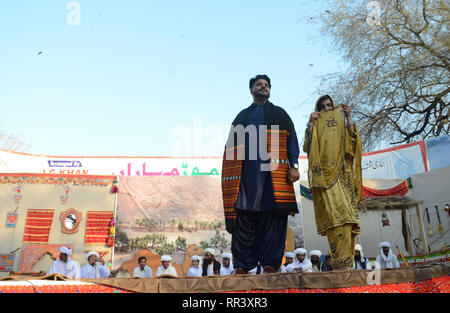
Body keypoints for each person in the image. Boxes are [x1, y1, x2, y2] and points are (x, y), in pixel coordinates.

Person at [221, 74, 300, 275]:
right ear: (251, 90)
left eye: (266, 85)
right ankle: (242, 265)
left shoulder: (280, 114)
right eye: (259, 84)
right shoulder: (241, 116)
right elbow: (230, 148)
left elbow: (292, 141)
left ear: (270, 90)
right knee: (244, 221)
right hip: (247, 179)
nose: (263, 87)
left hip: (273, 178)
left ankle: (271, 265)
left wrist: (294, 165)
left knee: (273, 221)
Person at [303, 95, 363, 271]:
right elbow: (307, 147)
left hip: (342, 175)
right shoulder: (315, 127)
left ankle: (347, 264)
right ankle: (339, 263)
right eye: (322, 107)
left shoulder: (342, 127)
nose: (327, 109)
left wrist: (348, 117)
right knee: (334, 218)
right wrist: (310, 123)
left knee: (347, 218)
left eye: (330, 105)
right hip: (324, 179)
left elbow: (353, 142)